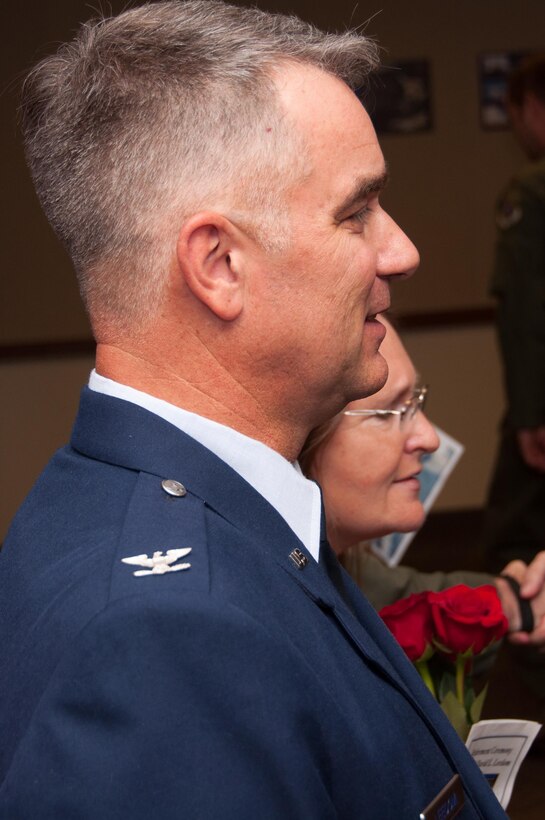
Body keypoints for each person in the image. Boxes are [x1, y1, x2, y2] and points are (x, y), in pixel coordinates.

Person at [0, 3, 506, 818]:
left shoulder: (173, 512)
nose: (401, 251)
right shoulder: (165, 638)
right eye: (356, 211)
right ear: (220, 264)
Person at [300, 318, 545, 657]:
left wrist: (516, 599)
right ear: (301, 438)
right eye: (388, 413)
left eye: (415, 402)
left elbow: (412, 597)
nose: (429, 439)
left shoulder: (342, 567)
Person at [483, 54, 545, 574]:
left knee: (515, 535)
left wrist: (529, 413)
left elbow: (525, 307)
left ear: (532, 109)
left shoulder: (532, 189)